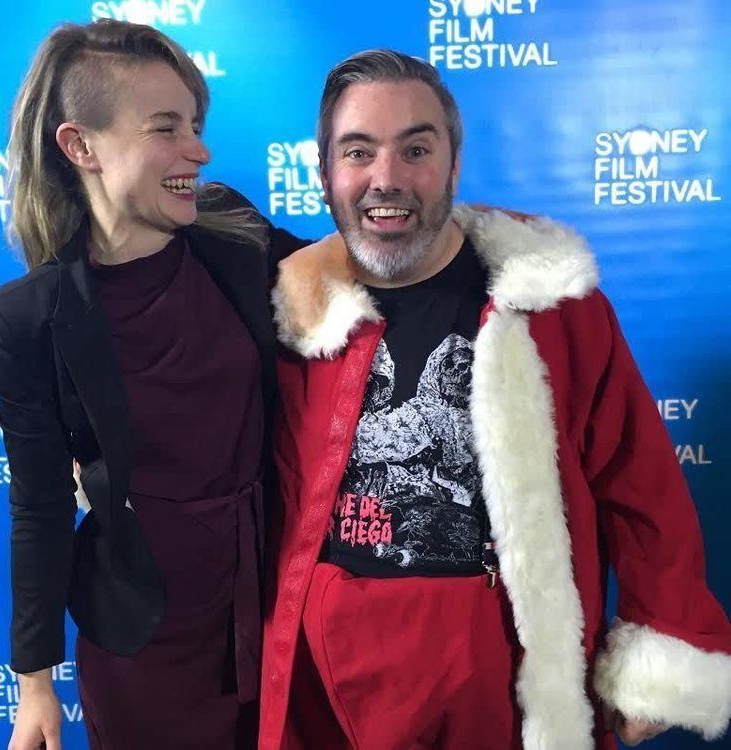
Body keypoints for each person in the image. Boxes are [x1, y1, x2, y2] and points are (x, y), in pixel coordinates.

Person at [260, 50, 731, 750]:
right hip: (329, 678)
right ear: (325, 172)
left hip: (492, 671)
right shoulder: (289, 311)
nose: (386, 179)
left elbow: (641, 483)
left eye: (415, 148)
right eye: (359, 152)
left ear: (453, 164)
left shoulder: (551, 309)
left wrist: (665, 636)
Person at [0, 19, 307, 750]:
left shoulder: (233, 230)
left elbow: (353, 279)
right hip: (143, 638)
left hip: (277, 602)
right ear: (81, 146)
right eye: (167, 128)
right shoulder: (27, 317)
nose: (199, 149)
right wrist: (35, 683)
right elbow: (37, 507)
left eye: (195, 124)